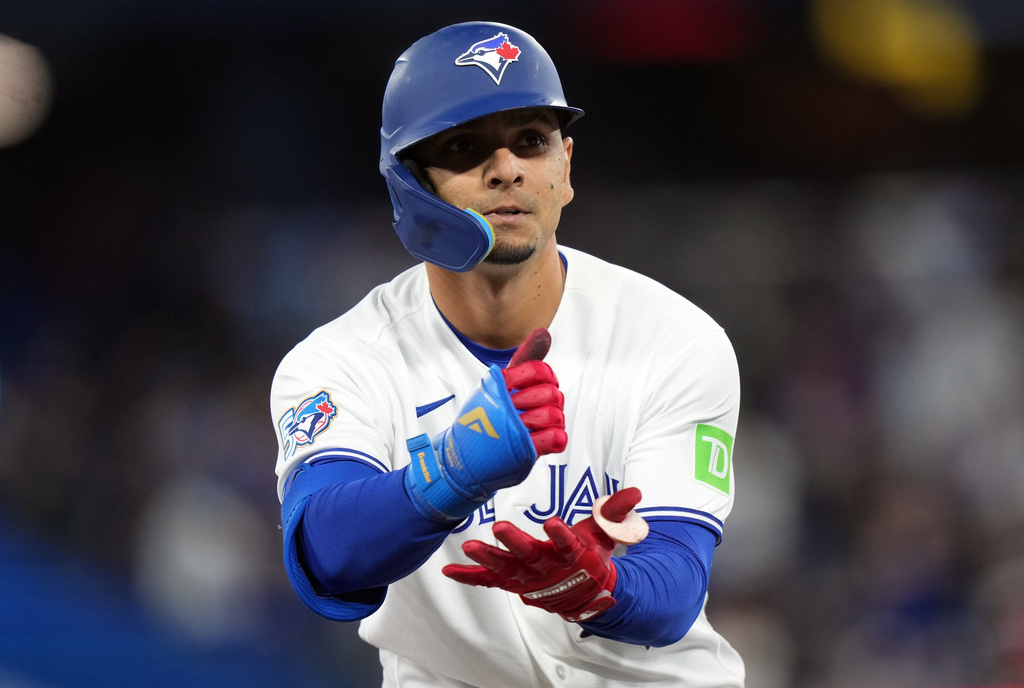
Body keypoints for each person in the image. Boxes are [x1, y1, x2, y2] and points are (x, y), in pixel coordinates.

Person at [272, 21, 745, 688]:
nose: (508, 168)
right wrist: (448, 475)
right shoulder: (342, 361)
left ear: (566, 168)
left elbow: (673, 589)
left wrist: (600, 585)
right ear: (411, 187)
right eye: (466, 148)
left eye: (531, 141)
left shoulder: (671, 338)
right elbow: (324, 555)